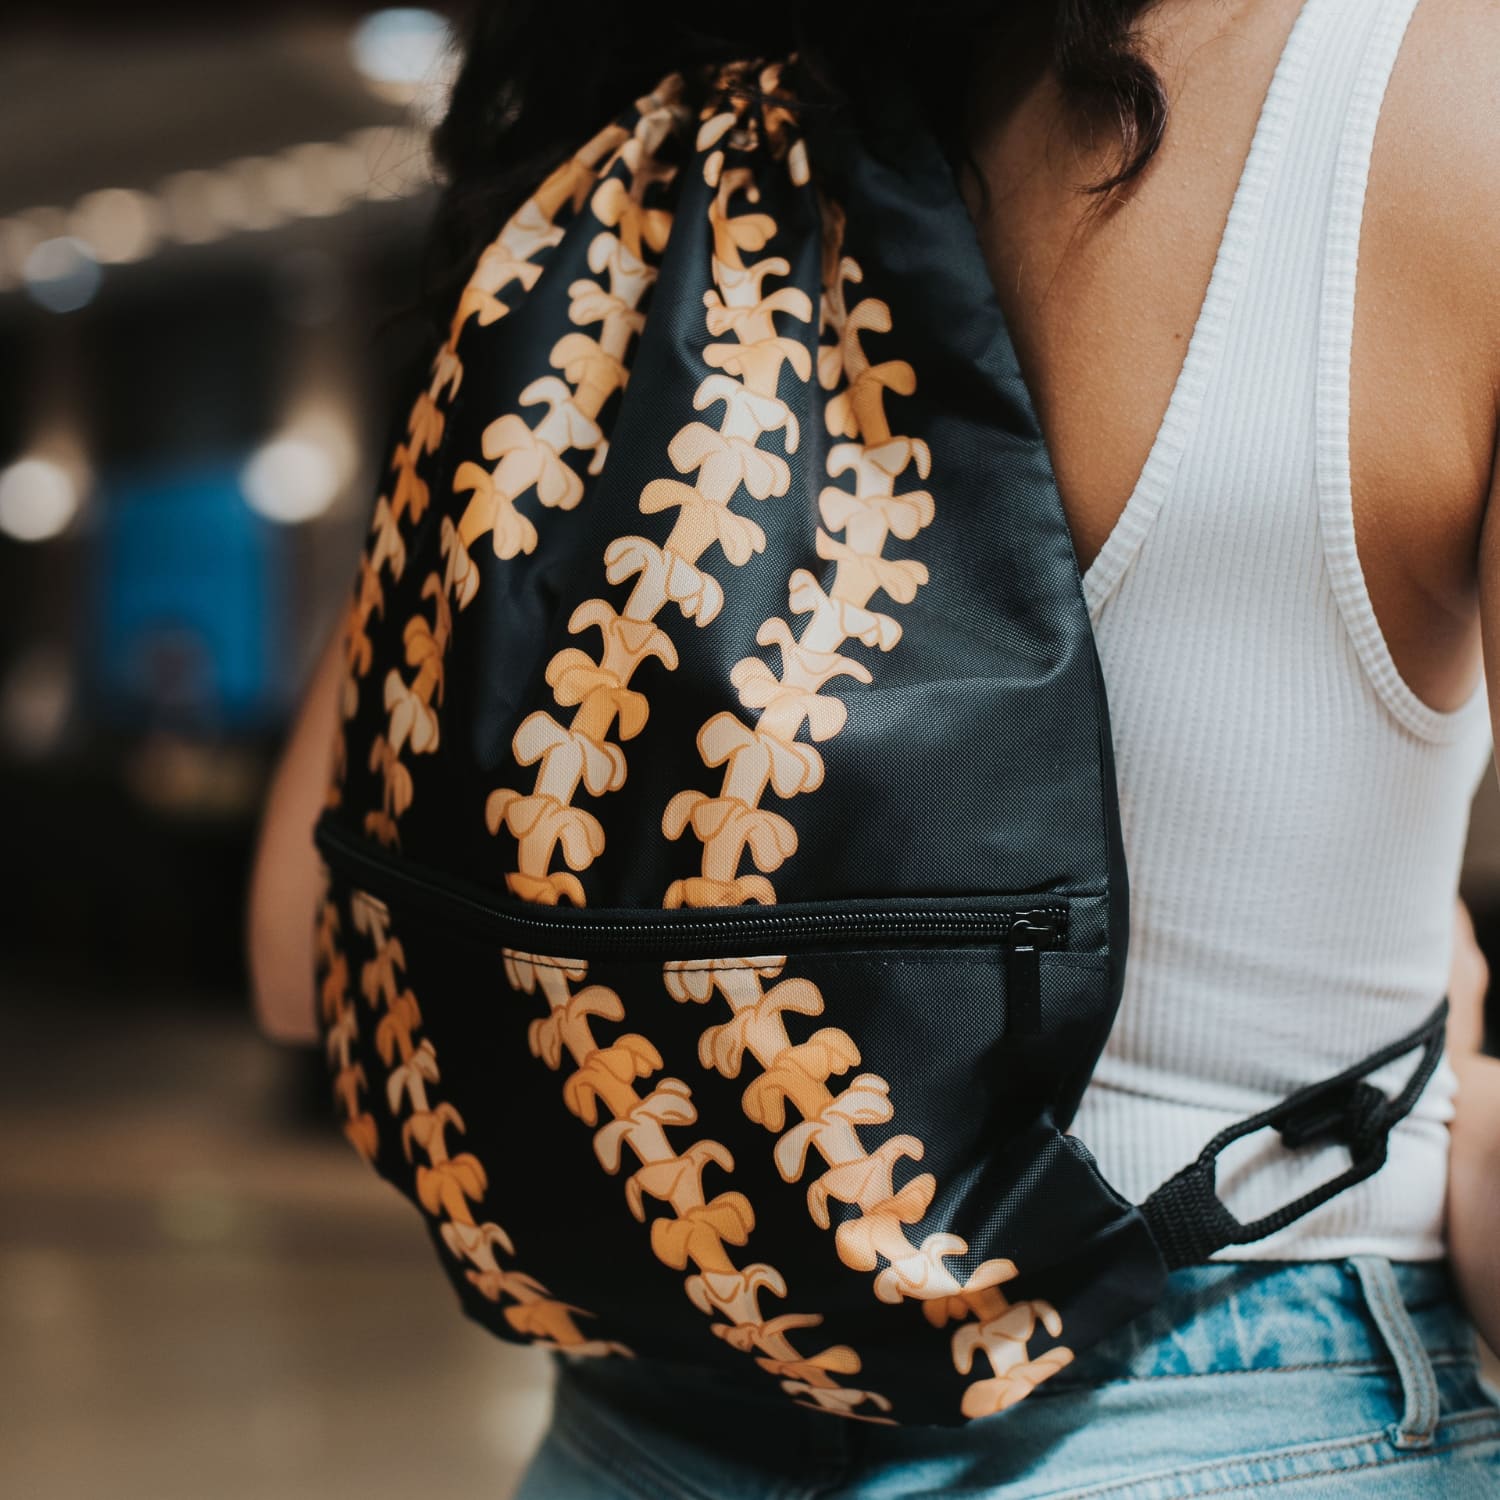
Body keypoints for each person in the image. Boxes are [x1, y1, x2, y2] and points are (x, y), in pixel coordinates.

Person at [249, 0, 1500, 1492]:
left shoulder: (641, 139)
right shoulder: (1445, 100)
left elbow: (292, 951)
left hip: (637, 1433)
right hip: (1252, 1406)